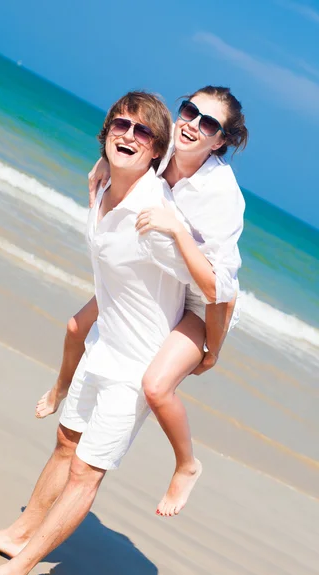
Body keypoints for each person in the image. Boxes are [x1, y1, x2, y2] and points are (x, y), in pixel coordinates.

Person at [0, 91, 215, 575]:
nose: (129, 136)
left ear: (158, 150)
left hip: (137, 366)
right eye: (121, 125)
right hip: (103, 343)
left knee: (86, 472)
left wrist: (210, 348)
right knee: (65, 442)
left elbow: (212, 287)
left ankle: (13, 574)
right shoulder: (100, 187)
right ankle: (19, 534)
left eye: (143, 132)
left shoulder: (152, 213)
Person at [36, 86, 248, 517]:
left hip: (202, 303)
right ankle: (61, 386)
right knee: (76, 327)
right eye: (190, 111)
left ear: (221, 140)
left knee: (155, 385)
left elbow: (217, 289)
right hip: (155, 275)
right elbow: (132, 148)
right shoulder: (169, 140)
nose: (193, 124)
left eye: (209, 123)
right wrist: (102, 165)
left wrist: (213, 349)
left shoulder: (222, 195)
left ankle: (187, 465)